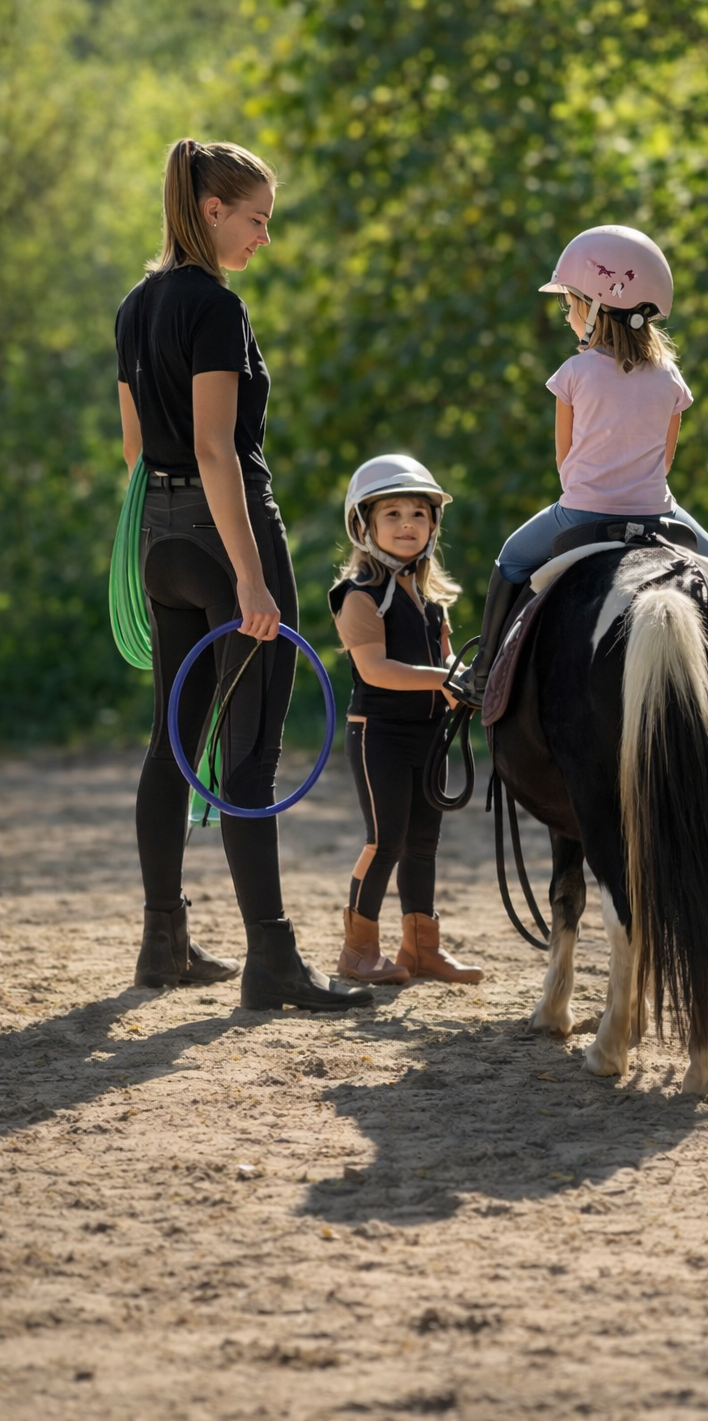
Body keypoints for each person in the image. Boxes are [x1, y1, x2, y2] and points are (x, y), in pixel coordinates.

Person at [115, 137, 370, 1012]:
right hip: (229, 541)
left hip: (160, 543)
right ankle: (273, 961)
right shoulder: (217, 308)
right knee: (251, 754)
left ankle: (163, 944)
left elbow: (134, 449)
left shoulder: (135, 305)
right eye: (256, 219)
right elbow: (217, 449)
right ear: (212, 210)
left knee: (172, 743)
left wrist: (166, 537)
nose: (264, 236)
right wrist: (252, 581)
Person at [448, 224, 708, 708]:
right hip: (658, 514)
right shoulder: (669, 377)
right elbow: (665, 459)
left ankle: (483, 670)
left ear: (596, 307)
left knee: (511, 560)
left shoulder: (573, 373)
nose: (567, 315)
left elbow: (565, 459)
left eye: (570, 304)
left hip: (580, 513)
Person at [329, 455, 484, 985]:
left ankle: (421, 948)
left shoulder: (431, 601)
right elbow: (375, 670)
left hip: (428, 735)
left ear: (432, 526)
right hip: (380, 735)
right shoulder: (359, 595)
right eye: (392, 514)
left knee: (423, 843)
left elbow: (445, 663)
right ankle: (357, 952)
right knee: (386, 841)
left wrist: (465, 686)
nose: (407, 525)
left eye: (418, 514)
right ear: (364, 525)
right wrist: (445, 681)